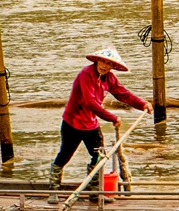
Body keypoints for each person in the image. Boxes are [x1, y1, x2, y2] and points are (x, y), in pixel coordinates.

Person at [49, 46, 148, 187]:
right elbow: (90, 102)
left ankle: (95, 192)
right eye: (103, 62)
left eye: (109, 64)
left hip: (91, 124)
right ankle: (54, 189)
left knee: (99, 157)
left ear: (112, 66)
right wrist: (112, 117)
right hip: (73, 123)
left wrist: (142, 104)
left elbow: (123, 94)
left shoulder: (110, 78)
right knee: (65, 155)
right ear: (97, 61)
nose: (104, 66)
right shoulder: (86, 74)